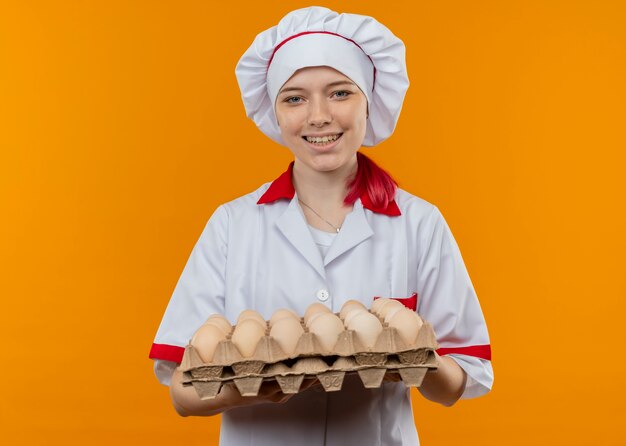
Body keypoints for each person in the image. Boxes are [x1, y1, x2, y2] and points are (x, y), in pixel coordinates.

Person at [149, 6, 493, 445]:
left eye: (339, 93)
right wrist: (250, 389)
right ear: (275, 113)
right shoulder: (233, 225)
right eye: (294, 98)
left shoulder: (419, 224)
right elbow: (182, 392)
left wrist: (414, 358)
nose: (318, 116)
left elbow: (464, 376)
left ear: (369, 100)